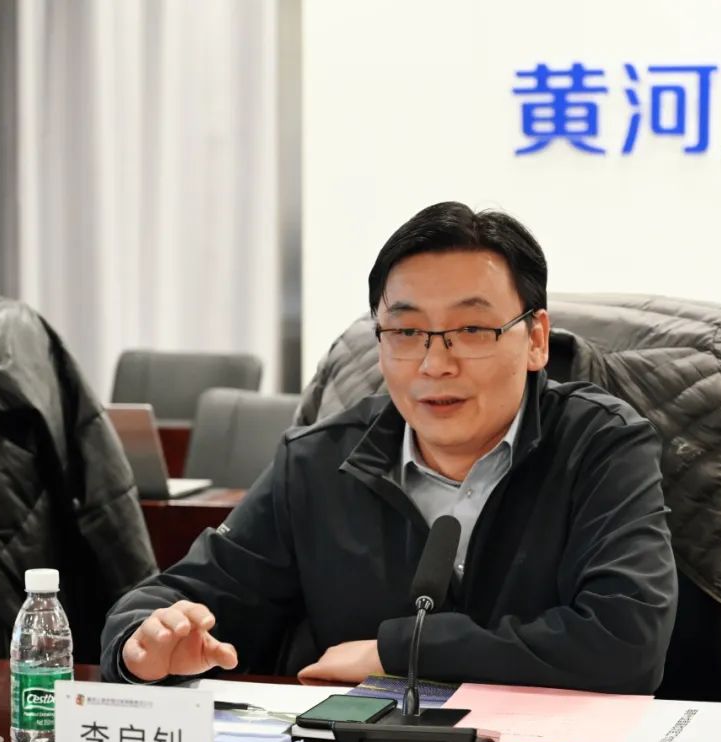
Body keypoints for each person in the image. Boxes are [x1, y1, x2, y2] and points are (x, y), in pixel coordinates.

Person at [101, 201, 678, 692]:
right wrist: (143, 643)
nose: (434, 363)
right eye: (406, 332)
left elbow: (626, 643)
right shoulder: (318, 462)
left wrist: (394, 653)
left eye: (471, 330)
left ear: (537, 340)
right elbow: (182, 596)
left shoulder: (602, 445)